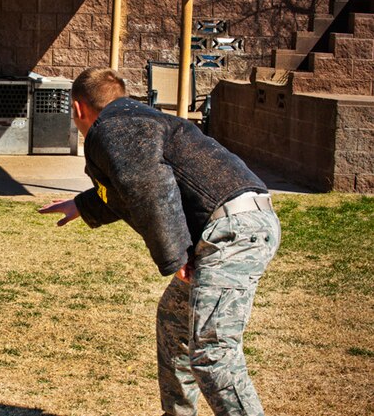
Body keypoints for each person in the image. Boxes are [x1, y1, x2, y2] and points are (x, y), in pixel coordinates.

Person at [39, 67, 280, 416]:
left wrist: (177, 256)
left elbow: (148, 186)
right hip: (237, 223)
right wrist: (82, 204)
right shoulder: (136, 119)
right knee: (174, 326)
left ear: (77, 109)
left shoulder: (114, 127)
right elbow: (129, 189)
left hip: (233, 232)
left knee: (212, 353)